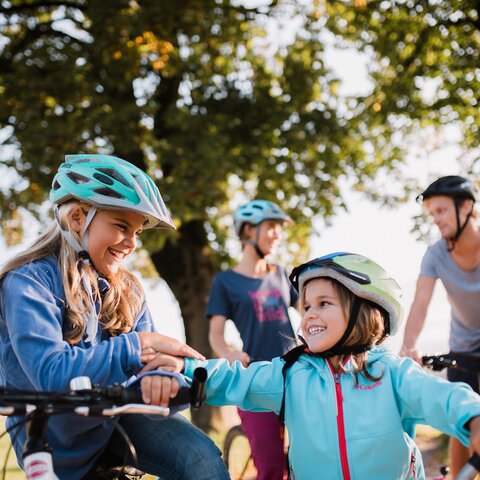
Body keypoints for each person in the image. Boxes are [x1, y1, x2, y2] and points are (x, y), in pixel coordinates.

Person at [0, 154, 230, 480]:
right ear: (78, 218)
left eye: (138, 232)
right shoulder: (29, 283)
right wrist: (137, 345)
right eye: (122, 226)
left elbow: (151, 366)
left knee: (201, 460)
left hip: (118, 421)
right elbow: (51, 373)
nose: (132, 243)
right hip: (50, 435)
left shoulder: (129, 290)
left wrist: (162, 379)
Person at [176, 252, 480, 479]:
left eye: (324, 304)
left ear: (364, 312)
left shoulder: (391, 373)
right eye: (306, 306)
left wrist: (474, 417)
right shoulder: (290, 374)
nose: (308, 315)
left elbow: (440, 396)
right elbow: (234, 380)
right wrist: (181, 370)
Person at [207, 199, 298, 480]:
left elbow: (310, 312)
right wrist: (229, 353)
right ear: (248, 230)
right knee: (271, 469)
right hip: (257, 383)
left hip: (297, 377)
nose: (277, 234)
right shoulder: (225, 282)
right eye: (271, 226)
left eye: (279, 228)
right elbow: (216, 337)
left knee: (305, 463)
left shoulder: (282, 274)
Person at [401, 175, 480, 478]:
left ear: (467, 206)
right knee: (462, 423)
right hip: (463, 349)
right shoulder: (435, 255)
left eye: (442, 210)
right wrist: (409, 348)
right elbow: (420, 304)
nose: (436, 219)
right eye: (432, 213)